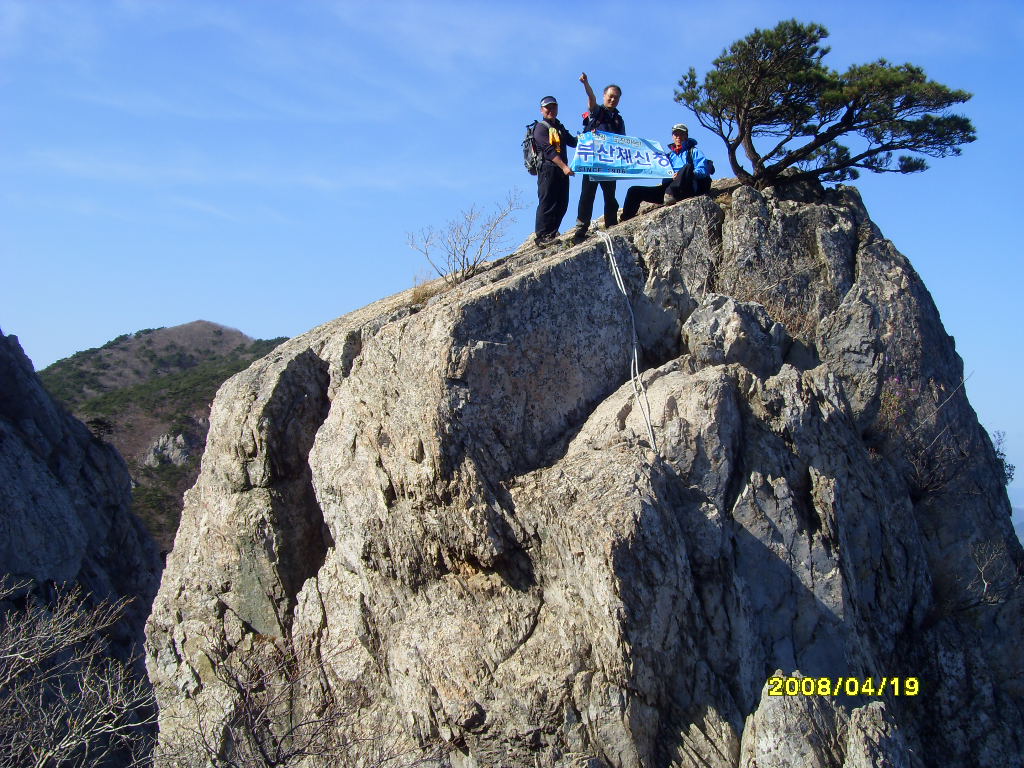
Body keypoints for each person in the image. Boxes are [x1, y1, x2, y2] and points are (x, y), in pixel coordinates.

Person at [572, 73, 625, 243]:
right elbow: (591, 99)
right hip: (593, 162)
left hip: (610, 164)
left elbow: (624, 142)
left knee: (610, 195)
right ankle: (581, 229)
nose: (613, 100)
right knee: (588, 194)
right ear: (605, 96)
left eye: (616, 98)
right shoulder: (597, 111)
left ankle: (611, 223)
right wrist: (586, 83)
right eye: (610, 96)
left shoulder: (618, 119)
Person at [620, 124, 711, 221]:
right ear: (673, 136)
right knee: (634, 191)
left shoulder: (693, 151)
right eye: (676, 134)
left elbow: (703, 170)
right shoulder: (669, 156)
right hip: (667, 189)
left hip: (687, 187)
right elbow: (660, 173)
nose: (678, 137)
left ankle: (671, 193)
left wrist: (682, 174)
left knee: (687, 167)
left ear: (686, 136)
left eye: (681, 134)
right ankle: (625, 217)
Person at [533, 96, 577, 247]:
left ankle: (552, 232)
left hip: (561, 170)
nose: (551, 110)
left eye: (553, 107)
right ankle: (541, 236)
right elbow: (549, 151)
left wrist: (589, 135)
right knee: (547, 202)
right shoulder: (540, 128)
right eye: (547, 108)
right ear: (542, 110)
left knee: (562, 202)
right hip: (548, 169)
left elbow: (573, 141)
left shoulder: (558, 126)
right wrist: (564, 167)